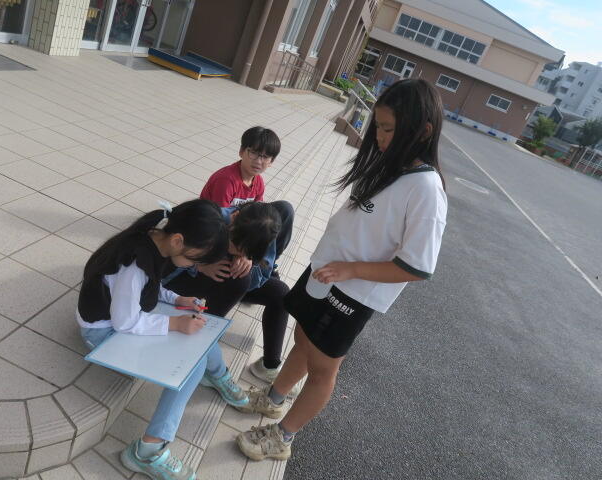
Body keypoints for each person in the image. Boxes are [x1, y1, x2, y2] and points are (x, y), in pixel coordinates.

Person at [235, 78, 449, 461]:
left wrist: (350, 270)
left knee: (323, 368)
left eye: (388, 129)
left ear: (424, 131)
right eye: (378, 126)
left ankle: (283, 437)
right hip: (327, 272)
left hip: (352, 290)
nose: (379, 136)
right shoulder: (391, 165)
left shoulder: (427, 190)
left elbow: (417, 267)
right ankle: (274, 398)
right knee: (303, 338)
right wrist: (338, 266)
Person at [76, 198, 249, 480]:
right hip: (101, 335)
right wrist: (175, 323)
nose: (195, 265)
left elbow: (150, 285)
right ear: (179, 241)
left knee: (199, 336)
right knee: (190, 366)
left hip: (115, 317)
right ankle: (147, 452)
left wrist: (178, 299)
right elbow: (125, 322)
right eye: (195, 259)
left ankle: (218, 375)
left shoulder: (155, 236)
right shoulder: (136, 264)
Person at [162, 200, 295, 385]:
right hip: (182, 278)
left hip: (226, 282)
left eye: (245, 251)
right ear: (234, 217)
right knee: (239, 279)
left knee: (281, 293)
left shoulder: (262, 237)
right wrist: (200, 265)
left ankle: (269, 366)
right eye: (235, 244)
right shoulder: (209, 220)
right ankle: (201, 347)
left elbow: (261, 277)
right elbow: (168, 261)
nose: (237, 251)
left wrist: (250, 262)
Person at [200, 126, 281, 207]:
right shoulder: (226, 181)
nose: (258, 161)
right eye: (253, 153)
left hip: (237, 214)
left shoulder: (259, 182)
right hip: (211, 214)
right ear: (241, 151)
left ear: (271, 162)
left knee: (283, 207)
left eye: (265, 157)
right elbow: (219, 214)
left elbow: (257, 210)